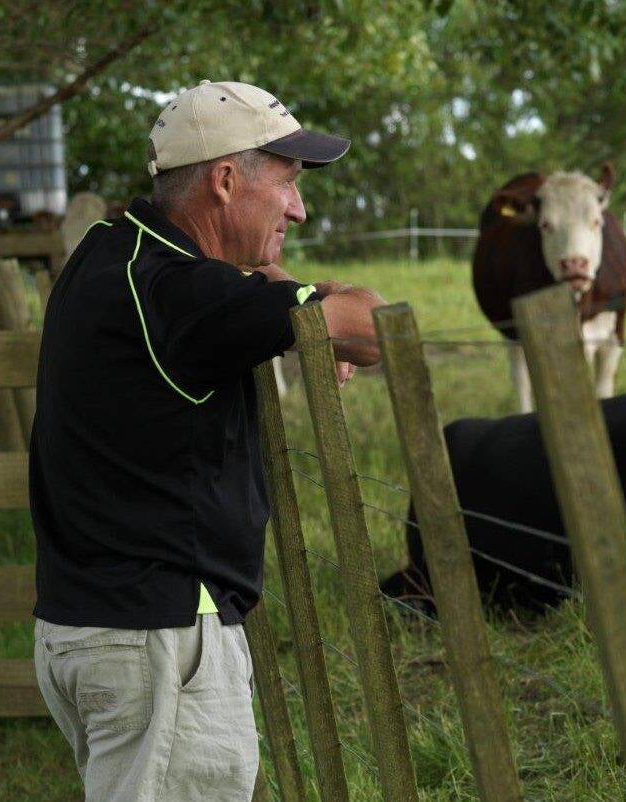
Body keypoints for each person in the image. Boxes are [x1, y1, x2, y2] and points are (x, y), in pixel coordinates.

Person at [30, 80, 382, 801]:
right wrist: (309, 309)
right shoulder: (189, 298)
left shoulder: (110, 253)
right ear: (225, 180)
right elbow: (375, 327)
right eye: (286, 184)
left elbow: (246, 299)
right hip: (160, 641)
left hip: (87, 626)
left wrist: (277, 295)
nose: (299, 208)